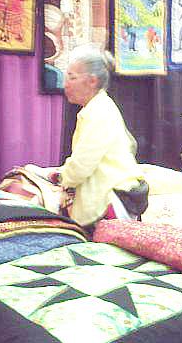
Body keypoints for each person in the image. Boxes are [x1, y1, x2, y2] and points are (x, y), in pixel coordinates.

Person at [54, 48, 146, 229]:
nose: (66, 84)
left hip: (112, 198)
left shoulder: (100, 112)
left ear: (92, 81)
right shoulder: (97, 107)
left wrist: (62, 177)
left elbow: (81, 166)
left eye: (72, 78)